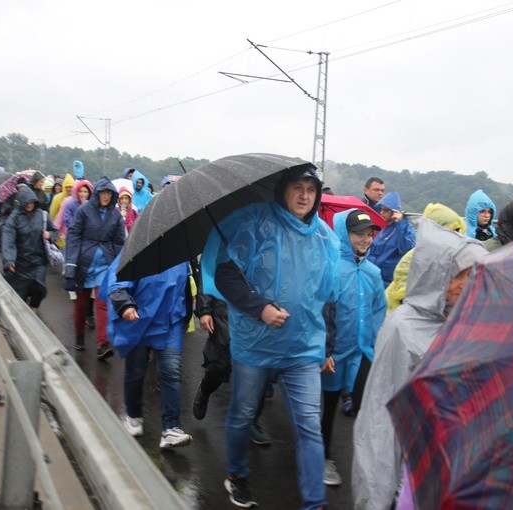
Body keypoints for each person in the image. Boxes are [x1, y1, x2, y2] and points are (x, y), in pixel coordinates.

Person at [201, 165, 340, 510]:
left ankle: (314, 502)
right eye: (297, 187)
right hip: (255, 345)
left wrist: (327, 346)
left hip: (303, 348)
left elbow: (325, 296)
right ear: (283, 190)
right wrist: (259, 307)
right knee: (243, 414)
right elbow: (226, 274)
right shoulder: (256, 223)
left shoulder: (324, 238)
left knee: (309, 424)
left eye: (311, 189)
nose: (304, 195)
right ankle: (236, 474)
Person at [352, 220, 487, 510]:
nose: (465, 283)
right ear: (436, 276)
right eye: (457, 275)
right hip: (409, 461)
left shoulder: (466, 323)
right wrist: (376, 498)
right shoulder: (403, 328)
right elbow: (381, 416)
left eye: (471, 274)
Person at [321, 209, 386, 486]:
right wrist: (324, 351)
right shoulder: (332, 268)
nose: (365, 239)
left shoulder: (374, 272)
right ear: (344, 235)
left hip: (363, 352)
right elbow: (321, 311)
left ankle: (373, 466)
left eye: (368, 234)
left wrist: (376, 343)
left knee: (363, 406)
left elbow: (378, 310)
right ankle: (323, 457)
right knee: (329, 407)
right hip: (334, 354)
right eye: (358, 234)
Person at [103, 255, 194, 449]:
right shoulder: (136, 250)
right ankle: (134, 417)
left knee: (171, 371)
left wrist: (186, 315)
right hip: (139, 321)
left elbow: (185, 284)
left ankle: (171, 427)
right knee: (136, 371)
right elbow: (117, 281)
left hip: (170, 321)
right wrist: (125, 305)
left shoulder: (180, 255)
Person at [191, 265, 272, 446]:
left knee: (257, 371)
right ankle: (205, 389)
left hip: (255, 310)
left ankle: (252, 421)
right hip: (224, 310)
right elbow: (208, 272)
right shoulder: (221, 240)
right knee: (220, 365)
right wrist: (204, 310)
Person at [64, 177, 126, 358]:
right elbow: (73, 236)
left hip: (104, 264)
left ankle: (102, 344)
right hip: (84, 261)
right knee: (82, 304)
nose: (105, 196)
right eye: (103, 193)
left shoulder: (115, 215)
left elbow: (119, 242)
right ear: (97, 193)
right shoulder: (84, 211)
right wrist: (71, 263)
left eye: (109, 193)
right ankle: (79, 335)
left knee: (103, 303)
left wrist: (117, 265)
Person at [385, 203, 466, 313]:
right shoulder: (413, 258)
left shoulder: (452, 258)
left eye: (457, 231)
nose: (455, 236)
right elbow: (402, 295)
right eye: (451, 231)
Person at [1, 186, 58, 312]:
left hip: (39, 261)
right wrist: (9, 260)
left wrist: (50, 235)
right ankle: (20, 316)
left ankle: (33, 312)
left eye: (31, 202)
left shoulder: (42, 215)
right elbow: (8, 240)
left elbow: (55, 232)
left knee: (38, 288)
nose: (29, 205)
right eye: (26, 203)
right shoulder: (14, 218)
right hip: (22, 262)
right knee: (20, 293)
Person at [368, 191, 416, 287]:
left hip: (390, 283)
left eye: (386, 210)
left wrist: (400, 223)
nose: (381, 213)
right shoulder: (383, 228)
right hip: (373, 279)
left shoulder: (406, 228)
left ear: (394, 211)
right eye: (381, 209)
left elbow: (407, 250)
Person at [54, 179, 92, 249]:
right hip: (73, 239)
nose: (83, 194)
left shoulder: (92, 206)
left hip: (88, 241)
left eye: (85, 192)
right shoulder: (69, 204)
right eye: (80, 191)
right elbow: (65, 219)